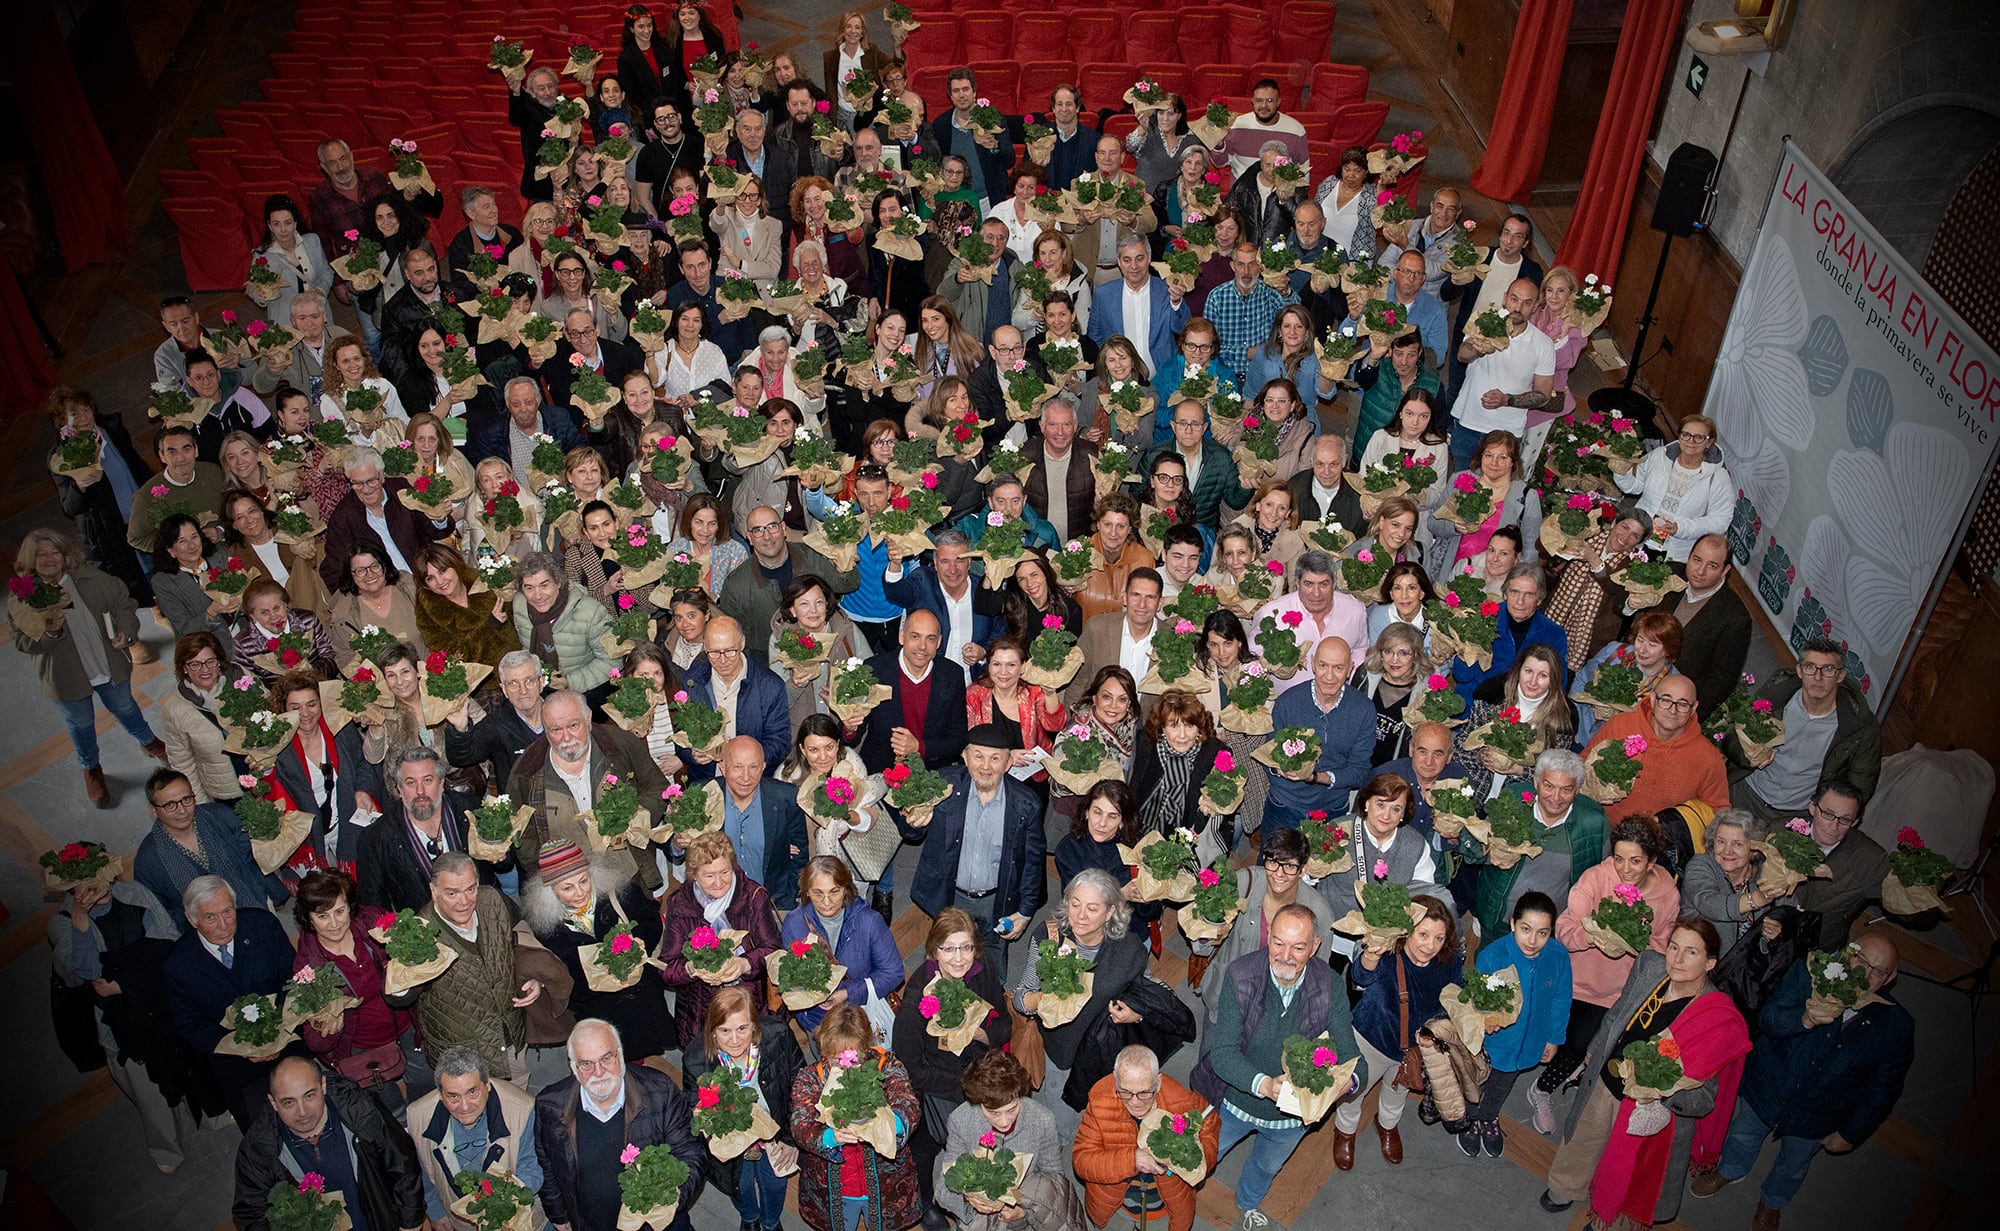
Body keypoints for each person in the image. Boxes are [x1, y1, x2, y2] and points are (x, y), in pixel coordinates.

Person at [1542, 920, 1751, 1229]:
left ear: (1710, 963)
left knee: (1626, 1168)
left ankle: (1606, 1218)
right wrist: (1596, 1048)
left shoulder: (1715, 1019)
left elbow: (1706, 1098)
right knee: (1584, 1137)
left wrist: (1662, 1091)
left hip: (1648, 1109)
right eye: (1674, 947)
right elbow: (1618, 1011)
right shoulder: (1651, 966)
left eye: (1691, 952)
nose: (1677, 959)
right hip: (1608, 1079)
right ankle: (1566, 1187)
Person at [1698, 937, 1914, 1227]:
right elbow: (1769, 1018)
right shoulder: (1809, 972)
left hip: (1819, 1115)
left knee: (1794, 1163)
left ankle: (1772, 1201)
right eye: (1860, 961)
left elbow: (1883, 1089)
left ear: (1891, 977)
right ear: (1847, 953)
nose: (1864, 974)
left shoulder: (1896, 1026)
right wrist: (1803, 1020)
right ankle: (1730, 1169)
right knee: (1743, 1133)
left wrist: (1851, 1133)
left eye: (1878, 971)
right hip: (1768, 1088)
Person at [1192, 903, 1364, 1225]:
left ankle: (1248, 1202)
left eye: (1298, 947)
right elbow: (1223, 1054)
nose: (1285, 955)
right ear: (1269, 936)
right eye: (1278, 943)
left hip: (1290, 1121)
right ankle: (1182, 1191)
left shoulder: (1329, 986)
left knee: (1266, 1167)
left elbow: (1355, 1063)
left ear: (1315, 946)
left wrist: (1342, 1085)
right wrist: (1266, 1085)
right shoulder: (1241, 975)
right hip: (1235, 1103)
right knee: (1207, 1152)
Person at [46, 874, 202, 1174]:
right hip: (118, 1023)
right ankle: (166, 1149)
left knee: (190, 1065)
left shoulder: (132, 893)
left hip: (160, 1000)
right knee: (148, 1092)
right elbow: (84, 973)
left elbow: (167, 943)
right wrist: (80, 917)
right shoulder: (62, 921)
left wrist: (123, 982)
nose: (95, 887)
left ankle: (210, 1117)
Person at [14, 528, 166, 806]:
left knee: (125, 707)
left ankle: (149, 741)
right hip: (66, 677)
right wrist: (49, 632)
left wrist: (126, 631)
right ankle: (91, 767)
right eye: (40, 554)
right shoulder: (24, 596)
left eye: (54, 551)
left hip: (107, 664)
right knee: (81, 723)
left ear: (65, 553)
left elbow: (123, 602)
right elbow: (23, 642)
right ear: (29, 560)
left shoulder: (88, 577)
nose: (49, 559)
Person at [1543, 817, 1685, 1104]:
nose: (1625, 869)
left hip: (1613, 992)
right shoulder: (1597, 877)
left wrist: (1636, 943)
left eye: (1635, 861)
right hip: (1572, 978)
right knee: (1550, 1033)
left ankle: (1542, 1090)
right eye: (1619, 858)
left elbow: (1661, 950)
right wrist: (1590, 936)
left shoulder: (1668, 896)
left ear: (1652, 861)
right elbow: (1565, 929)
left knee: (1581, 1044)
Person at [892, 908, 1014, 1221]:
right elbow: (910, 1068)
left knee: (978, 1145)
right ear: (934, 951)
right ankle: (924, 1203)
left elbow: (1004, 1024)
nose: (959, 959)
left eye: (966, 947)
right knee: (925, 1150)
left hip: (980, 1076)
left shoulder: (982, 969)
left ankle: (972, 1199)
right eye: (948, 949)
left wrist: (982, 1034)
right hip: (936, 1087)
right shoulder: (919, 995)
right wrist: (962, 1086)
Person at [1012, 869, 1154, 1133]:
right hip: (1062, 1050)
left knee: (1105, 1103)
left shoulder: (1129, 949)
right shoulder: (1049, 937)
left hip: (1107, 1046)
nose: (1080, 915)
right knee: (1063, 1114)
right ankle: (1064, 1138)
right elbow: (1020, 998)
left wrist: (1137, 1014)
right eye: (1075, 904)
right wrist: (1045, 997)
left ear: (1109, 913)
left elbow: (1148, 994)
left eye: (1092, 908)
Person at [536, 1018, 706, 1231]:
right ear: (573, 1067)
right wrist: (558, 1216)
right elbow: (547, 1166)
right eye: (586, 1064)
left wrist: (673, 1198)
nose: (599, 1072)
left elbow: (690, 1152)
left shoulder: (660, 1091)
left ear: (620, 1054)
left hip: (657, 1225)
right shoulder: (550, 1106)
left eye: (606, 1058)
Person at [1333, 893, 1458, 1169]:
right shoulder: (1389, 954)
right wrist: (1370, 954)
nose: (1431, 945)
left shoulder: (1446, 963)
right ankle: (1345, 1130)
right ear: (1407, 931)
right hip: (1371, 1040)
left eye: (1439, 938)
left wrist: (1437, 1029)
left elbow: (1454, 994)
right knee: (1354, 1090)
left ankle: (1387, 1124)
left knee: (1398, 1090)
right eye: (1423, 935)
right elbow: (1360, 976)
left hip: (1412, 1048)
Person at [399, 852, 545, 1085]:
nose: (464, 901)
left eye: (470, 889)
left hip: (510, 1042)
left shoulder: (494, 900)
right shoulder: (419, 932)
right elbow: (400, 998)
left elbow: (523, 939)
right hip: (462, 1061)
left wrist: (536, 977)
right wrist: (399, 977)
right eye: (452, 893)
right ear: (433, 890)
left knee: (518, 1100)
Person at [231, 1057, 425, 1231]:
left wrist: (410, 1222)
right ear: (273, 1102)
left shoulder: (360, 1112)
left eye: (309, 1095)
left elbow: (401, 1161)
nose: (302, 1112)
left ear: (323, 1086)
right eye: (288, 1102)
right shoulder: (259, 1149)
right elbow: (252, 1213)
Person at [164, 877, 296, 1128]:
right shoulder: (178, 965)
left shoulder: (263, 926)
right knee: (262, 1130)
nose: (224, 925)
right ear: (192, 920)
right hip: (235, 1062)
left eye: (228, 911)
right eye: (210, 917)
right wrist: (243, 1048)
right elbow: (190, 1024)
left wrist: (280, 1029)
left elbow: (291, 977)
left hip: (287, 1040)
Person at [524, 841, 674, 1061]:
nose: (580, 892)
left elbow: (650, 919)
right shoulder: (545, 926)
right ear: (550, 891)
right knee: (607, 1053)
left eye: (584, 880)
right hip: (593, 1004)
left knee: (640, 1045)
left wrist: (639, 941)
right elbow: (555, 970)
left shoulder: (621, 892)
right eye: (567, 888)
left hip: (641, 998)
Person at [901, 723, 1047, 942]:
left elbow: (1033, 861)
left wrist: (1025, 912)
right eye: (978, 756)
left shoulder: (1026, 804)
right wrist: (914, 824)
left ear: (1008, 763)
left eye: (995, 758)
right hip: (949, 893)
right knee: (949, 951)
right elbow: (910, 834)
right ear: (965, 757)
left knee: (993, 955)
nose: (986, 766)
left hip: (997, 898)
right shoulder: (942, 785)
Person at [789, 1004, 925, 1231]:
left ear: (865, 1046)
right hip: (837, 1186)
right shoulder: (811, 1078)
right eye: (836, 1058)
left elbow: (907, 1101)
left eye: (853, 1056)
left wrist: (889, 1125)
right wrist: (830, 1137)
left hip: (885, 1181)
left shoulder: (885, 1065)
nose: (845, 1065)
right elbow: (800, 1123)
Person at [1724, 637, 1883, 825]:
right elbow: (1732, 734)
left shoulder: (1860, 727)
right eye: (1810, 667)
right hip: (1745, 793)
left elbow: (1859, 789)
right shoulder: (1776, 698)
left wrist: (1825, 817)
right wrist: (1746, 757)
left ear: (1841, 676)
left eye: (1828, 669)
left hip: (1795, 815)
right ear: (1799, 670)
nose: (1818, 677)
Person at [290, 869, 420, 1097]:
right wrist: (329, 1027)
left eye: (339, 911)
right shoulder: (308, 969)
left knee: (427, 1089)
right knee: (391, 1110)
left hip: (408, 1028)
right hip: (365, 1051)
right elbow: (317, 1044)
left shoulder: (373, 923)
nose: (334, 923)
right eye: (322, 916)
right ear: (308, 919)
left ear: (350, 906)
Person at [1461, 746, 1609, 945]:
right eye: (1549, 786)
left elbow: (1601, 877)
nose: (1556, 797)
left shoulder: (1593, 822)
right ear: (1536, 782)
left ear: (1577, 790)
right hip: (1500, 916)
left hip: (1550, 927)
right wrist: (1490, 855)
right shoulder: (1513, 800)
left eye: (1566, 789)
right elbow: (1479, 848)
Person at [1462, 891, 1572, 1153]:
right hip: (1492, 1042)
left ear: (1551, 932)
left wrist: (1554, 1038)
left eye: (1543, 933)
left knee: (1503, 1084)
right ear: (1512, 923)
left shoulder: (1558, 956)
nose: (1532, 940)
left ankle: (1489, 1116)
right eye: (1526, 929)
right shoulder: (1493, 956)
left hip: (1530, 1041)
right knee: (1477, 1082)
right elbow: (1476, 1001)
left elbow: (1561, 999)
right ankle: (1470, 1117)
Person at [687, 986, 804, 1231]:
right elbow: (692, 1106)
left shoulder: (779, 1036)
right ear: (713, 1031)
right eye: (724, 1030)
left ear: (754, 1026)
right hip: (732, 1140)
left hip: (775, 1133)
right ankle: (749, 1217)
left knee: (774, 1183)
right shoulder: (696, 1060)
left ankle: (771, 1222)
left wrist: (792, 1138)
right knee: (740, 1183)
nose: (734, 1039)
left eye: (742, 1028)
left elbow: (800, 1087)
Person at [1073, 1044, 1219, 1231]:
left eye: (1144, 1093)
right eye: (1125, 1092)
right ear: (1115, 1080)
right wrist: (1131, 1160)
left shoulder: (1182, 1102)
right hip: (1116, 1209)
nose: (1134, 1102)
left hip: (1165, 1209)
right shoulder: (1100, 1102)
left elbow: (1210, 1126)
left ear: (1158, 1082)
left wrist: (1186, 1157)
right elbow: (1082, 1161)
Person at [659, 830, 782, 1050]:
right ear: (694, 875)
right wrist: (691, 968)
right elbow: (667, 968)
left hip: (749, 1001)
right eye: (709, 876)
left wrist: (743, 964)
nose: (719, 882)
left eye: (725, 872)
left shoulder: (753, 896)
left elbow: (773, 949)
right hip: (700, 1010)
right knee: (709, 1066)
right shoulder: (680, 903)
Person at [937, 1050, 1082, 1231]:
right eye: (994, 1113)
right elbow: (944, 1187)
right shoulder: (961, 1120)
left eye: (1012, 1110)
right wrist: (968, 1199)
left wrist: (1024, 1211)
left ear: (1020, 1097)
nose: (1004, 1121)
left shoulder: (1042, 1119)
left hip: (1025, 1200)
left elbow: (1054, 1178)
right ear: (978, 1102)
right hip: (981, 1212)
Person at [405, 1045, 544, 1231]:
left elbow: (532, 1167)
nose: (464, 1107)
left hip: (514, 1218)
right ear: (440, 1094)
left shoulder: (522, 1108)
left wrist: (499, 1207)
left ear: (487, 1085)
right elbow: (420, 1170)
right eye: (453, 1096)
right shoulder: (418, 1116)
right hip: (460, 1221)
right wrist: (435, 1210)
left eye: (472, 1092)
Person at [135, 767, 278, 930]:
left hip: (254, 906)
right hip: (201, 932)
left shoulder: (220, 817)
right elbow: (161, 911)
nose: (182, 810)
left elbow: (254, 859)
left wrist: (271, 891)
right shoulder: (148, 861)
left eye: (186, 799)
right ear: (153, 810)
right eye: (170, 805)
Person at [46, 385, 151, 603]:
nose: (84, 418)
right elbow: (70, 507)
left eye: (86, 410)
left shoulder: (110, 430)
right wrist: (79, 486)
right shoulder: (61, 456)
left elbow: (136, 465)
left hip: (144, 519)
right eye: (75, 414)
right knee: (138, 591)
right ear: (62, 421)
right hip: (111, 536)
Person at [1446, 276, 1557, 471]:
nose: (1518, 307)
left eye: (1527, 303)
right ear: (1505, 298)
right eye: (1514, 299)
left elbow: (1543, 395)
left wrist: (1507, 400)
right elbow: (1462, 356)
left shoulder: (1543, 345)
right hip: (1468, 423)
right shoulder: (1484, 323)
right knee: (1461, 481)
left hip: (1507, 433)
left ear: (1535, 307)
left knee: (1497, 487)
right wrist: (1476, 348)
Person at [1583, 675, 1731, 817]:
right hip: (1599, 822)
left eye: (1683, 704)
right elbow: (1581, 764)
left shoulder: (1708, 758)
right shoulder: (1620, 725)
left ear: (1693, 708)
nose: (1673, 710)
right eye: (1665, 700)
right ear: (1653, 699)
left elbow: (1717, 810)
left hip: (1660, 834)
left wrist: (1675, 825)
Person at [1264, 636, 1373, 829]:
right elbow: (1268, 755)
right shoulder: (1288, 702)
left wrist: (1315, 777)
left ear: (1350, 669)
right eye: (1323, 665)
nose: (1329, 677)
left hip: (1332, 807)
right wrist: (1279, 768)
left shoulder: (1363, 710)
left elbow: (1359, 771)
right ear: (1313, 663)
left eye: (1338, 668)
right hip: (1285, 803)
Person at [1317, 772, 1449, 925]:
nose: (1386, 816)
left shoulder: (1415, 844)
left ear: (1403, 814)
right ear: (1367, 804)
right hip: (1333, 925)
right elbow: (1307, 876)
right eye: (1381, 805)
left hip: (1386, 932)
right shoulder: (1338, 831)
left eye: (1396, 809)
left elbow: (1425, 894)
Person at [1654, 534, 1752, 720]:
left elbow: (1722, 679)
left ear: (1725, 570)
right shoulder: (1669, 573)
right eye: (1697, 560)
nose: (1700, 571)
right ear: (1689, 555)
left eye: (1712, 566)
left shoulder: (1735, 618)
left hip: (1674, 704)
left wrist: (1689, 718)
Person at [1252, 550, 1370, 695]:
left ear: (1334, 584)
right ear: (1297, 584)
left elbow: (1360, 650)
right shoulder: (1270, 615)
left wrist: (1351, 681)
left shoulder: (1355, 611)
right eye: (1308, 584)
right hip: (1285, 703)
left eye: (1323, 584)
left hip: (1338, 700)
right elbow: (1252, 658)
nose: (1316, 593)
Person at [1454, 561, 1568, 702]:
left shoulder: (1554, 635)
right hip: (1474, 702)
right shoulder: (1482, 620)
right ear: (1505, 594)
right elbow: (1461, 675)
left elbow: (1557, 688)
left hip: (1522, 708)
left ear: (1539, 599)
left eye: (1529, 595)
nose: (1520, 601)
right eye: (1514, 592)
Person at [1088, 234, 1190, 379]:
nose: (1134, 266)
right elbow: (1094, 338)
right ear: (1118, 262)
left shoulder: (1166, 291)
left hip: (1162, 379)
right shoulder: (1104, 295)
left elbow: (1184, 330)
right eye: (1127, 260)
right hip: (1119, 381)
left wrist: (1176, 302)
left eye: (1139, 258)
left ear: (1149, 258)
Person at [1070, 567, 1164, 709]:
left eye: (1150, 597)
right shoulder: (1097, 628)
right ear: (1125, 598)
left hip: (1149, 721)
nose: (1142, 604)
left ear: (1160, 603)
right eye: (1136, 595)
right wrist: (1073, 718)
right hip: (1100, 718)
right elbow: (1077, 681)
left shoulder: (1172, 639)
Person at [1223, 78, 1307, 176]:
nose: (1264, 105)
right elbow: (1220, 162)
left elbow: (1302, 172)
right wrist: (1218, 145)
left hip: (1278, 185)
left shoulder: (1296, 130)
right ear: (1253, 101)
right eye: (1259, 100)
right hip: (1241, 184)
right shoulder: (1236, 126)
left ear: (1278, 102)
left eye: (1269, 100)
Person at [1288, 432, 1366, 532]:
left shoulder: (1361, 492)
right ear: (1311, 462)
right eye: (1320, 464)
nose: (1327, 472)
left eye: (1333, 464)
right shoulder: (1294, 488)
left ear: (1344, 462)